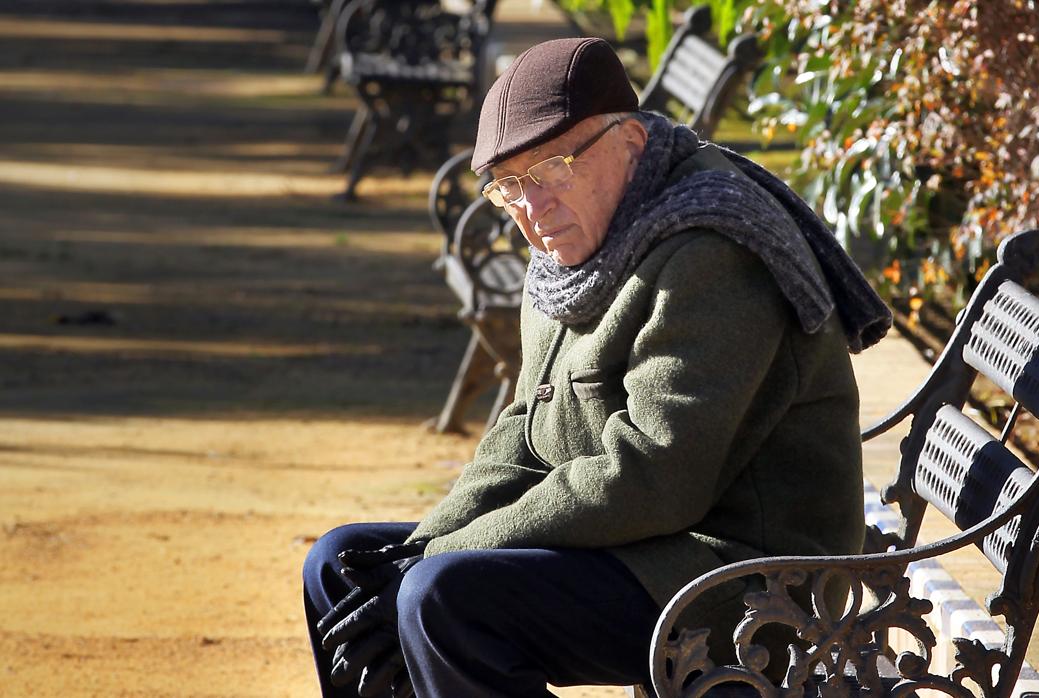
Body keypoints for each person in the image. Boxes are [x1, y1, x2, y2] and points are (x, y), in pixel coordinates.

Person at [302, 36, 892, 698]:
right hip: (645, 546)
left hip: (747, 580)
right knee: (341, 564)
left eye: (553, 168)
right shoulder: (578, 245)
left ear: (631, 144)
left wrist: (437, 559)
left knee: (444, 597)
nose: (532, 209)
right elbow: (527, 426)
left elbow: (652, 476)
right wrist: (425, 542)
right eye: (509, 185)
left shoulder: (709, 252)